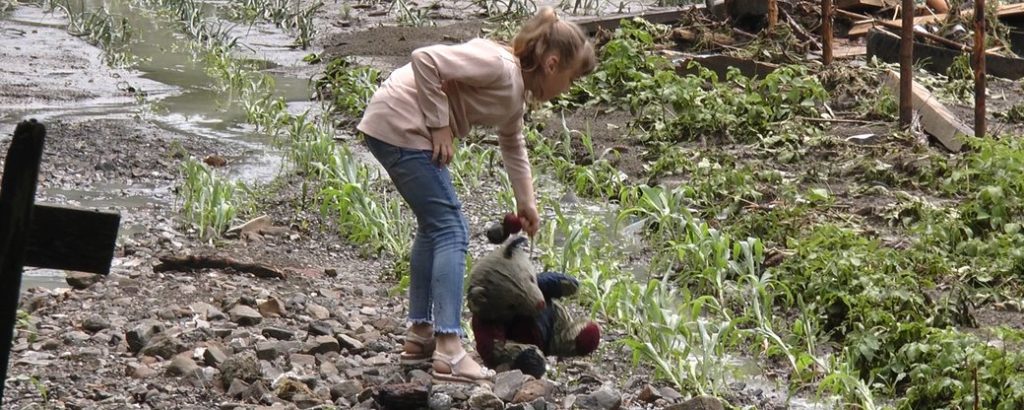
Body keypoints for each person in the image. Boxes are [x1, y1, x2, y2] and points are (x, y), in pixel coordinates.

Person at [356, 6, 597, 385]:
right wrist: (438, 125)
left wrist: (527, 202)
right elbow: (426, 60)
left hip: (392, 125)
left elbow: (513, 143)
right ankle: (450, 348)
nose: (567, 90)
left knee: (433, 227)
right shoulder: (499, 66)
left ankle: (420, 334)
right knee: (452, 229)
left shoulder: (514, 95)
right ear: (552, 64)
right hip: (403, 123)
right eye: (570, 80)